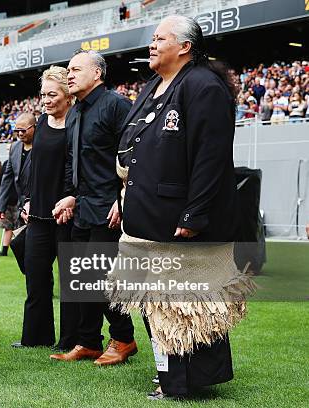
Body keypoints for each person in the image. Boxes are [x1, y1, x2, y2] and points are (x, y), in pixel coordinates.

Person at [113, 15, 253, 399]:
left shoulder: (203, 86)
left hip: (180, 219)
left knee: (184, 304)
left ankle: (186, 381)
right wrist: (120, 197)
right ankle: (166, 374)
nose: (152, 45)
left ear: (185, 46)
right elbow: (132, 147)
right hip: (144, 215)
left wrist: (196, 213)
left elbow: (212, 158)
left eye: (160, 38)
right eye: (152, 38)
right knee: (154, 304)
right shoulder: (152, 86)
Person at [51, 50, 136, 366]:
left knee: (102, 278)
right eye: (68, 69)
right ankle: (88, 341)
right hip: (84, 206)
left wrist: (123, 196)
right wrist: (71, 196)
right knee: (83, 278)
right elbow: (77, 162)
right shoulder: (74, 112)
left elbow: (134, 155)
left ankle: (124, 338)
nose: (69, 74)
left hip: (110, 207)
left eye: (75, 69)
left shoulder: (117, 105)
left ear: (98, 73)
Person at [12, 66, 77, 350]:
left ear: (67, 95)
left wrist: (71, 197)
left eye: (52, 94)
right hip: (37, 214)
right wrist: (26, 199)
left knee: (72, 283)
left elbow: (77, 168)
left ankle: (72, 340)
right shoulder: (39, 125)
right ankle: (36, 337)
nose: (46, 100)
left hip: (67, 213)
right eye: (43, 95)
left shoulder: (78, 122)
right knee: (36, 278)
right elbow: (32, 168)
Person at [0, 113, 35, 258]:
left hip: (40, 205)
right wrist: (1, 205)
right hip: (21, 206)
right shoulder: (15, 147)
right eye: (16, 130)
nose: (19, 134)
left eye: (23, 130)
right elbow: (7, 178)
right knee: (22, 248)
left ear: (34, 127)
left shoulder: (43, 145)